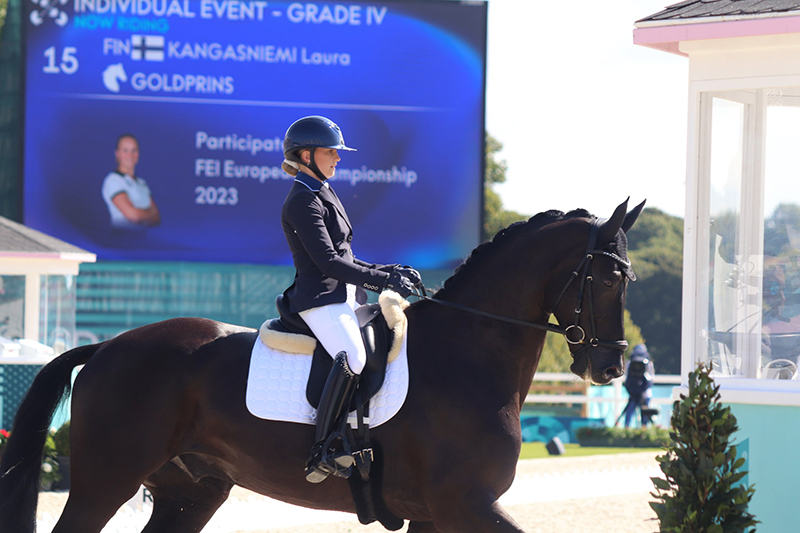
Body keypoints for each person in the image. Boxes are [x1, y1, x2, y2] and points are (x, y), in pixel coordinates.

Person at [279, 116, 420, 483]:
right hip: (320, 299)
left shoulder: (323, 191)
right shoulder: (301, 201)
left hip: (345, 296)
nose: (338, 158)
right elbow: (328, 262)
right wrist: (383, 280)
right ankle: (324, 448)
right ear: (306, 155)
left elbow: (347, 256)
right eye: (331, 152)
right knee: (353, 356)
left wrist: (391, 270)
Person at [101, 134, 161, 229]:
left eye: (134, 150)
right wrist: (150, 212)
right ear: (117, 153)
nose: (130, 155)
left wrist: (142, 214)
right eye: (125, 150)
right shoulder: (113, 180)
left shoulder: (142, 183)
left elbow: (156, 218)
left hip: (142, 240)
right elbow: (133, 216)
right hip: (121, 240)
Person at [621, 344, 655, 427]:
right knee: (644, 412)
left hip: (635, 392)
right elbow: (651, 378)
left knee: (630, 412)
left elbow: (626, 377)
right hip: (644, 393)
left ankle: (627, 427)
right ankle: (644, 427)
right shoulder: (648, 363)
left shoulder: (629, 362)